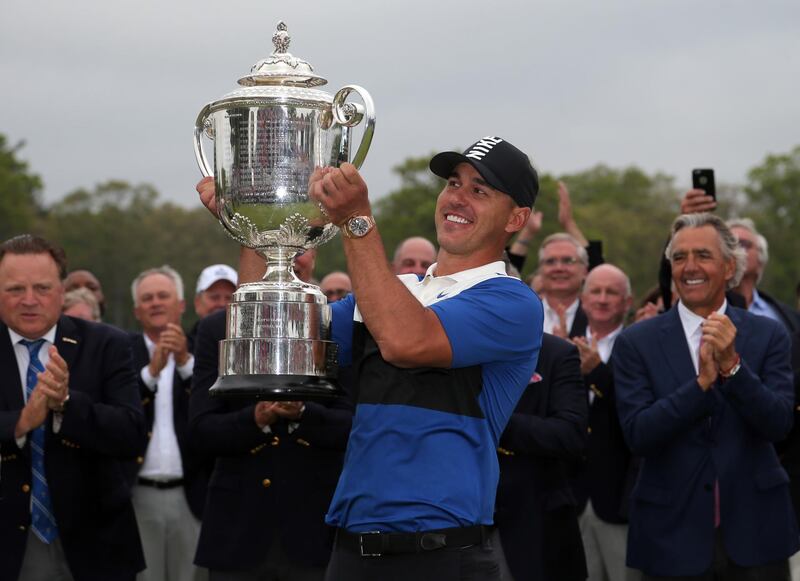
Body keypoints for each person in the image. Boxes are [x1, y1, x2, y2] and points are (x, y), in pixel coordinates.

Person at [303, 136, 542, 580]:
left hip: (441, 554)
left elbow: (405, 341)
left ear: (517, 218)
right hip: (350, 550)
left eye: (480, 190)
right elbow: (282, 345)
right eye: (454, 183)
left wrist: (357, 220)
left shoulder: (514, 302)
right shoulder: (397, 290)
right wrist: (255, 232)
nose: (458, 198)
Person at [613, 213, 799, 579]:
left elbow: (779, 424)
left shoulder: (769, 335)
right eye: (679, 257)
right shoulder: (636, 342)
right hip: (669, 537)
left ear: (730, 267)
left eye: (703, 255)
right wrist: (699, 387)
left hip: (756, 533)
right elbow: (638, 434)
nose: (690, 267)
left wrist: (733, 369)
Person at [188, 249, 355, 581]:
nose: (288, 254)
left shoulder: (338, 325)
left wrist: (303, 413)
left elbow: (353, 427)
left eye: (299, 246)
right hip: (237, 533)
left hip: (314, 533)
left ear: (316, 252)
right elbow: (200, 431)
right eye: (273, 242)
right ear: (250, 247)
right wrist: (257, 419)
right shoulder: (217, 327)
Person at [0, 234, 146, 581]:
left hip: (96, 545)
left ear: (62, 292)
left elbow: (130, 434)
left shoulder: (108, 344)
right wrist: (21, 422)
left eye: (42, 288)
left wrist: (66, 403)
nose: (30, 300)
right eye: (15, 289)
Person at [127, 266, 207, 581]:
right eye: (147, 298)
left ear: (182, 305)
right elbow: (120, 413)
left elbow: (212, 406)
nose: (156, 303)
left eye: (164, 296)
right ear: (136, 311)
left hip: (191, 495)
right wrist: (151, 372)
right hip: (138, 496)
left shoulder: (202, 352)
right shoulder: (121, 352)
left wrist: (185, 362)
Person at [494, 333, 588, 581]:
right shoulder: (449, 349)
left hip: (538, 523)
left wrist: (494, 417)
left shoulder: (556, 352)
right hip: (464, 524)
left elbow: (570, 435)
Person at [569, 264, 641, 581]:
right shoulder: (562, 348)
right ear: (583, 300)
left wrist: (598, 372)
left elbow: (636, 412)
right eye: (595, 291)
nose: (601, 299)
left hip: (619, 498)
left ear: (627, 302)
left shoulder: (640, 346)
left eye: (611, 292)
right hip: (569, 499)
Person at [538, 233, 590, 337]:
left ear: (585, 271)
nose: (559, 268)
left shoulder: (596, 316)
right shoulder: (523, 314)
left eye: (568, 261)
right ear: (540, 270)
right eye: (550, 261)